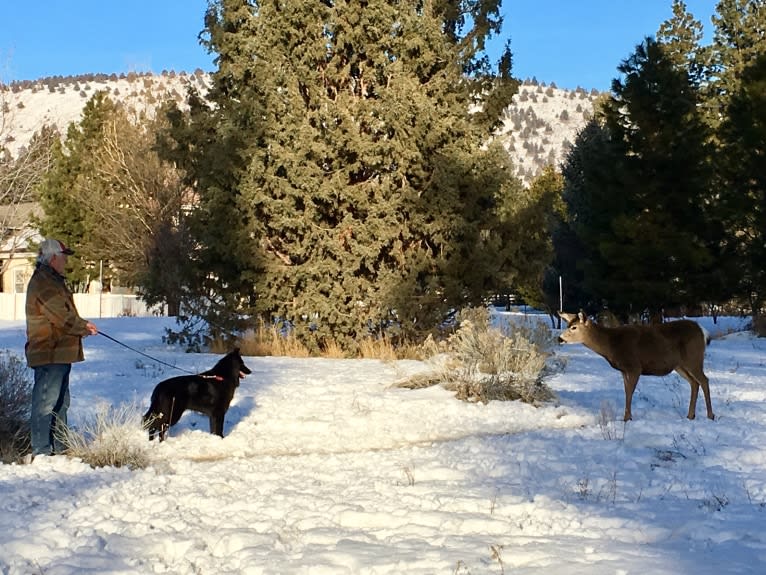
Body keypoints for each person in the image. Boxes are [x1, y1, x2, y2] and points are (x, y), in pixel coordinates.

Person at [25, 238, 98, 457]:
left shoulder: (54, 280)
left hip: (59, 352)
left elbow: (66, 315)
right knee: (46, 403)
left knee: (61, 403)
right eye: (64, 256)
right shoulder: (43, 282)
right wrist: (82, 327)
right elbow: (60, 316)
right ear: (53, 257)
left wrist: (82, 325)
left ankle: (60, 448)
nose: (66, 260)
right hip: (49, 352)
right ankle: (41, 451)